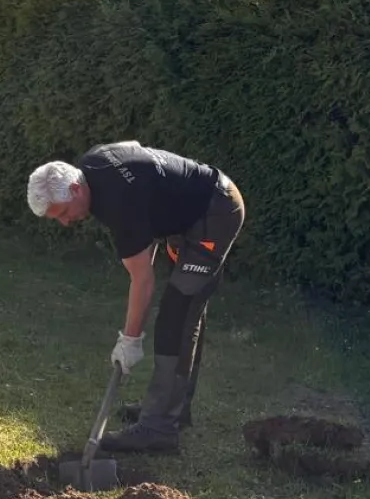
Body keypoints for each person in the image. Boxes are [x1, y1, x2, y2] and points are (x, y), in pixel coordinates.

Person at [26, 141, 246, 453]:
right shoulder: (92, 164)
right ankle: (172, 409)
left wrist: (129, 341)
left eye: (62, 213)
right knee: (185, 311)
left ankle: (159, 429)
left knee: (177, 315)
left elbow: (143, 280)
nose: (65, 221)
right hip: (185, 216)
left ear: (75, 189)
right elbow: (138, 162)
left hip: (215, 210)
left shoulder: (118, 203)